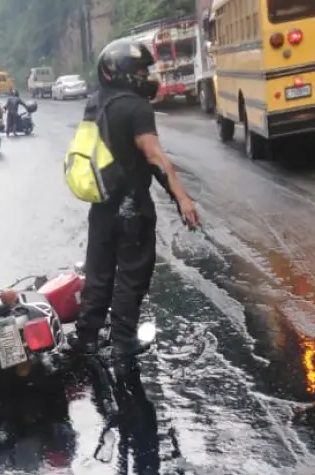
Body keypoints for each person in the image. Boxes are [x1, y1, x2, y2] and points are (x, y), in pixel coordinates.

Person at [74, 38, 199, 364]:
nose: (147, 75)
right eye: (141, 69)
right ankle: (123, 342)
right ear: (124, 72)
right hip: (132, 209)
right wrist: (182, 198)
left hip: (101, 206)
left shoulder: (94, 103)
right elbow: (154, 156)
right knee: (132, 276)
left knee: (99, 274)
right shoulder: (136, 108)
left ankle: (87, 338)